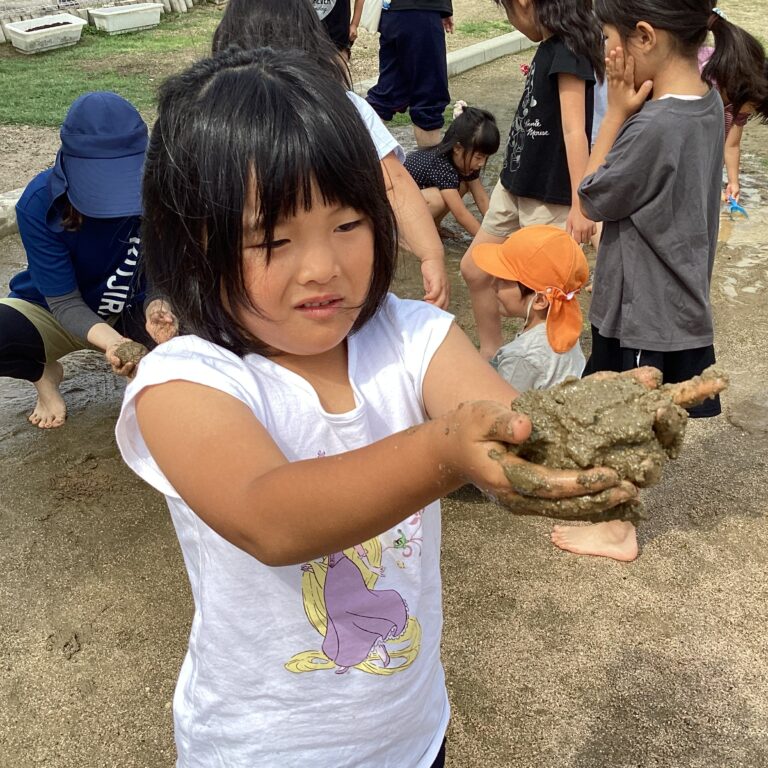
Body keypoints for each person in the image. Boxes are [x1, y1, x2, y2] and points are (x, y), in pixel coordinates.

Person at [115, 47, 639, 767]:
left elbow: (511, 427)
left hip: (412, 733)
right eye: (273, 239)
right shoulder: (185, 381)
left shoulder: (413, 337)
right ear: (198, 244)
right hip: (260, 749)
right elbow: (270, 516)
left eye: (348, 225)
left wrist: (595, 430)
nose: (323, 267)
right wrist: (442, 450)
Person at [550, 0, 750, 562]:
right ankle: (613, 514)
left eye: (609, 39)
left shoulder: (654, 125)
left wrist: (613, 114)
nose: (606, 54)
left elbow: (590, 196)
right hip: (671, 296)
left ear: (644, 36)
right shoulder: (706, 101)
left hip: (645, 306)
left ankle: (618, 527)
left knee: (622, 423)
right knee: (625, 415)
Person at [213, 0, 450, 309]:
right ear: (312, 39)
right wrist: (431, 254)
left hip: (254, 273)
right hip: (338, 268)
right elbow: (395, 184)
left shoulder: (215, 116)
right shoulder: (343, 104)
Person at [0, 91, 174, 429]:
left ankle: (147, 375)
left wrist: (158, 305)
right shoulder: (37, 203)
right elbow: (64, 302)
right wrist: (115, 345)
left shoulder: (162, 189)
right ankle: (43, 374)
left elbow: (165, 271)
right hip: (53, 311)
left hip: (132, 308)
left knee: (200, 350)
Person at [459, 0, 604, 360]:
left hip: (550, 197)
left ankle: (554, 373)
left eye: (507, 11)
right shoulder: (549, 48)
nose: (513, 22)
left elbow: (575, 132)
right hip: (514, 186)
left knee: (546, 300)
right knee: (474, 269)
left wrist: (580, 202)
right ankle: (493, 353)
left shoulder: (571, 50)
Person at [472, 225, 587, 391]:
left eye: (504, 281)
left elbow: (504, 407)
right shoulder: (565, 329)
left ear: (540, 300)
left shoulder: (521, 356)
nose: (493, 285)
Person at [365, 0, 454, 149]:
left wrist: (443, 8)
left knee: (388, 92)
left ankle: (345, 157)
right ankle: (429, 169)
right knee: (428, 99)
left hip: (392, 12)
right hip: (420, 10)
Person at [697, 17, 768, 203]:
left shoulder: (739, 105)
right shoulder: (705, 81)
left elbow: (732, 145)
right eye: (753, 107)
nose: (750, 112)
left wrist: (733, 182)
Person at [404, 102, 500, 238]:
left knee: (463, 184)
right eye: (479, 157)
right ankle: (409, 236)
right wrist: (485, 241)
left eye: (485, 157)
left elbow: (482, 198)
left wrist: (497, 230)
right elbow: (460, 214)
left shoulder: (465, 161)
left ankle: (434, 225)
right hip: (397, 206)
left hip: (417, 196)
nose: (481, 163)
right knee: (438, 199)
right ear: (457, 148)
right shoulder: (441, 164)